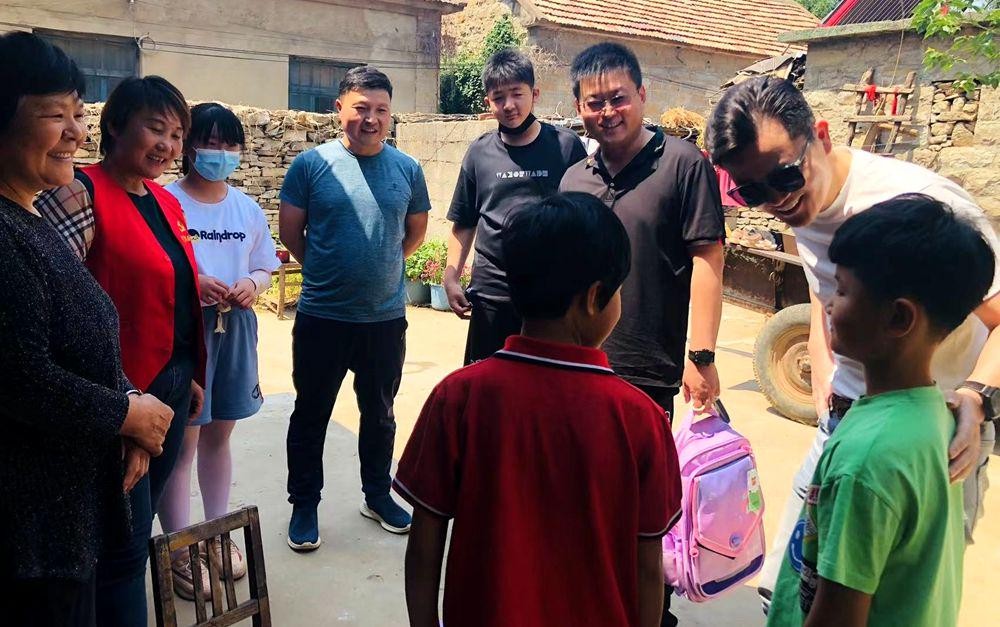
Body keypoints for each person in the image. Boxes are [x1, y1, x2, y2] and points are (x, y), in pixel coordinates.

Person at [705, 76, 1000, 613]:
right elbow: (822, 297)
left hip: (931, 434)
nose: (776, 200)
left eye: (784, 176)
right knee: (790, 586)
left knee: (900, 595)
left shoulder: (915, 206)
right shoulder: (800, 207)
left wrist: (978, 399)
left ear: (820, 135)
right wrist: (825, 382)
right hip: (847, 422)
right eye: (752, 192)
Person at [397, 192, 681, 627]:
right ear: (594, 298)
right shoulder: (640, 419)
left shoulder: (458, 397)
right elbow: (648, 566)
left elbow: (425, 539)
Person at [0, 32, 174, 626]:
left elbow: (73, 344)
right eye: (55, 114)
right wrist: (125, 414)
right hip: (30, 536)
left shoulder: (30, 217)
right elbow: (19, 377)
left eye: (78, 112)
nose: (76, 131)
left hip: (64, 518)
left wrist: (126, 400)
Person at [768, 194, 994, 627]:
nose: (828, 304)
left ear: (898, 319)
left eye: (843, 290)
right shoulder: (935, 413)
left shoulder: (866, 458)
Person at [558, 43, 724, 625]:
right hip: (578, 366)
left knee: (642, 513)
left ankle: (650, 613)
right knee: (580, 500)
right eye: (594, 102)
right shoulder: (574, 178)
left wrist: (701, 355)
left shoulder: (682, 164)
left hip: (647, 368)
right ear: (578, 107)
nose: (607, 112)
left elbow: (708, 258)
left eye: (618, 98)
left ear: (642, 95)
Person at [36, 76, 206, 626]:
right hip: (116, 398)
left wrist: (186, 374)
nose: (168, 145)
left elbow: (171, 294)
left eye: (177, 135)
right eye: (156, 129)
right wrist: (123, 410)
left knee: (138, 521)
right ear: (113, 126)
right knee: (123, 548)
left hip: (170, 385)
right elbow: (61, 312)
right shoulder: (80, 193)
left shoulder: (165, 200)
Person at [279, 65, 430, 550]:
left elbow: (414, 233)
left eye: (381, 110)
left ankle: (377, 495)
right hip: (322, 317)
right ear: (339, 108)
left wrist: (380, 266)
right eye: (361, 108)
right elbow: (290, 232)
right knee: (311, 412)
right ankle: (304, 504)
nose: (371, 119)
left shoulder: (407, 169)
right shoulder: (311, 165)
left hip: (384, 320)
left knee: (380, 414)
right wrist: (328, 269)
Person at [158, 102, 279, 599]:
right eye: (210, 143)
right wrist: (193, 283)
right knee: (181, 443)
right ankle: (180, 550)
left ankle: (215, 533)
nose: (220, 153)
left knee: (219, 436)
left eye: (230, 144)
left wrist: (253, 283)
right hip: (186, 333)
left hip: (236, 328)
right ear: (188, 146)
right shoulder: (165, 202)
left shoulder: (246, 208)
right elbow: (156, 270)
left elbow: (264, 264)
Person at [444, 48, 587, 363]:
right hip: (491, 296)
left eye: (517, 94)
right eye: (499, 98)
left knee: (544, 383)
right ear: (488, 103)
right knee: (487, 383)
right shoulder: (479, 153)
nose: (509, 105)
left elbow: (584, 220)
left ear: (534, 94)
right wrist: (451, 277)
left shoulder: (566, 147)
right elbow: (464, 221)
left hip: (550, 297)